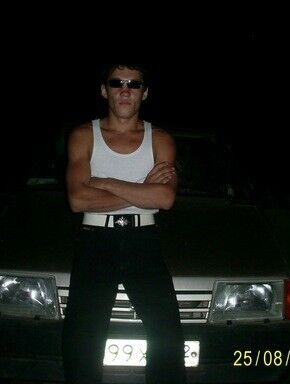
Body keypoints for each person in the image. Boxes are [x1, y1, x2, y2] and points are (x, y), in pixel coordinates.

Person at [62, 63, 187, 384]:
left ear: (145, 93)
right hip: (95, 241)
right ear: (104, 90)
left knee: (167, 336)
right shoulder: (83, 136)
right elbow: (78, 199)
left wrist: (105, 182)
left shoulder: (160, 139)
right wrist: (143, 190)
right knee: (82, 339)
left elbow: (165, 198)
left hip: (143, 240)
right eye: (117, 82)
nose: (125, 90)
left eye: (134, 84)